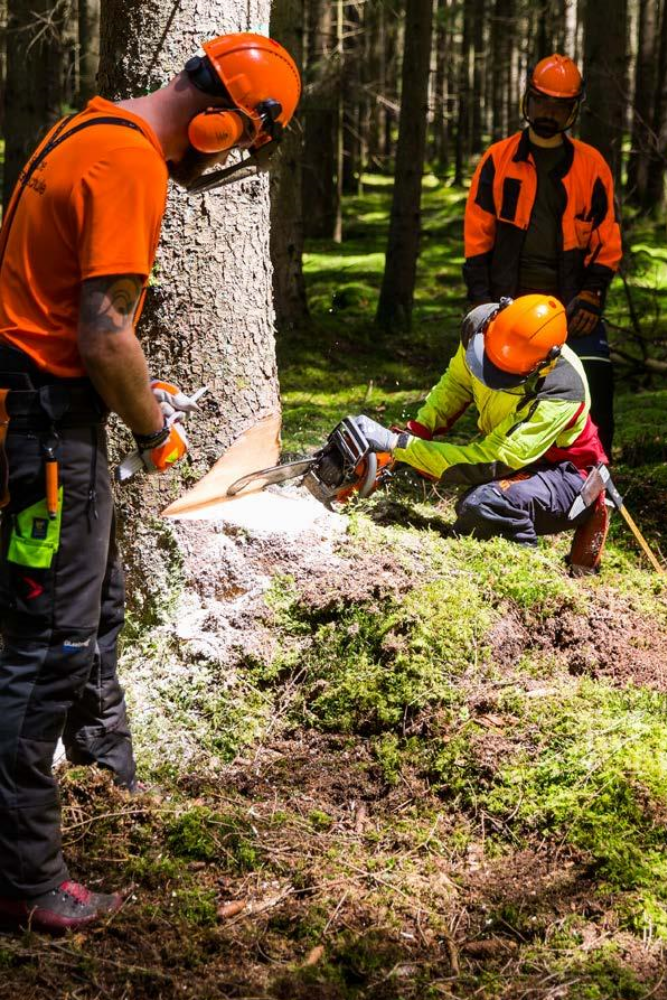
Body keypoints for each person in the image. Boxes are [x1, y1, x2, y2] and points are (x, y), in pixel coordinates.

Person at [0, 33, 300, 933]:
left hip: (43, 407)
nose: (229, 154)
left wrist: (124, 395)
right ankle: (24, 877)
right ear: (217, 122)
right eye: (240, 140)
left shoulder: (84, 128)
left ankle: (104, 780)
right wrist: (151, 425)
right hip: (50, 426)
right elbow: (103, 333)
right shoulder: (133, 165)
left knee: (96, 607)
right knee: (47, 643)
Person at [349, 295, 608, 559]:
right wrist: (418, 430)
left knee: (484, 504)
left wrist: (399, 446)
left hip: (567, 474)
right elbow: (456, 384)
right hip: (519, 459)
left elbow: (495, 459)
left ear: (544, 364)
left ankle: (525, 567)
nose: (490, 375)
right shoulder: (480, 329)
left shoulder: (562, 389)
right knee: (476, 505)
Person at [463, 54, 621, 457]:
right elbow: (477, 236)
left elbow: (608, 239)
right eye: (542, 102)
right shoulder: (498, 160)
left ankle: (592, 475)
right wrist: (482, 302)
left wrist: (592, 295)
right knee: (505, 391)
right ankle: (510, 466)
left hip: (572, 306)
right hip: (509, 303)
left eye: (560, 105)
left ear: (574, 109)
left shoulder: (591, 166)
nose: (549, 113)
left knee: (596, 386)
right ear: (527, 101)